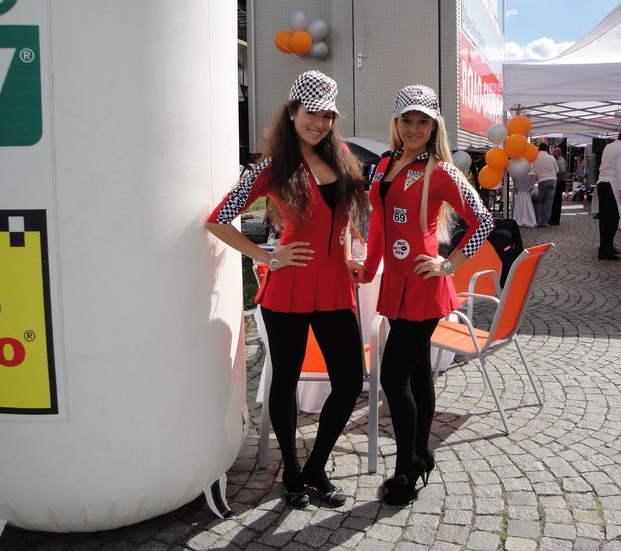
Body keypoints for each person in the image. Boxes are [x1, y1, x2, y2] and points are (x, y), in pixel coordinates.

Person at [206, 71, 366, 510]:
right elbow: (219, 218)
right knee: (286, 381)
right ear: (292, 112)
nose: (320, 122)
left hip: (335, 288)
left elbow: (342, 217)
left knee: (350, 380)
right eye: (312, 113)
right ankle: (292, 473)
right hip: (289, 291)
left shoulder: (342, 157)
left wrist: (348, 254)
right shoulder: (273, 166)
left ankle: (316, 467)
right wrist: (266, 256)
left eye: (327, 115)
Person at [352, 85, 493, 506]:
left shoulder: (442, 171)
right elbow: (379, 225)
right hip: (395, 284)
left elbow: (483, 221)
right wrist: (368, 268)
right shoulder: (384, 164)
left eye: (423, 121)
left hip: (425, 287)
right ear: (396, 123)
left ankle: (406, 469)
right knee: (414, 376)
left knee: (393, 378)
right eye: (407, 120)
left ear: (435, 127)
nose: (414, 128)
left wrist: (448, 264)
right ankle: (421, 454)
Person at [596, 129, 621, 260]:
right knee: (612, 219)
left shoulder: (608, 146)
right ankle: (605, 251)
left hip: (602, 182)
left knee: (605, 218)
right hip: (611, 184)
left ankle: (607, 246)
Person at [532, 142, 558, 226]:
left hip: (542, 180)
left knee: (541, 202)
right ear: (547, 149)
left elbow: (533, 171)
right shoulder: (551, 158)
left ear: (539, 149)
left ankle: (540, 221)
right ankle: (546, 221)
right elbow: (557, 170)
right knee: (548, 202)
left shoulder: (535, 158)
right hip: (553, 180)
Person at [548, 144, 567, 225]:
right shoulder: (558, 160)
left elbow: (562, 171)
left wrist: (554, 173)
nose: (552, 154)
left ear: (557, 153)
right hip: (558, 182)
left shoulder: (560, 161)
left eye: (553, 153)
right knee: (555, 201)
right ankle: (554, 218)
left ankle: (555, 220)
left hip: (559, 183)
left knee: (557, 202)